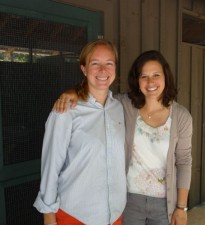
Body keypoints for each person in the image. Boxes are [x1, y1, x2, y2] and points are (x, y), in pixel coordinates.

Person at [54, 50, 193, 225]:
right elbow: (98, 93)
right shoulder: (125, 105)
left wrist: (181, 207)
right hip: (128, 200)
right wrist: (73, 92)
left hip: (164, 203)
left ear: (166, 77)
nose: (150, 82)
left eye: (156, 75)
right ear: (137, 80)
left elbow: (184, 162)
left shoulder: (181, 117)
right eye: (144, 76)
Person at [34, 39, 127, 225]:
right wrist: (48, 214)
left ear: (115, 68)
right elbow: (51, 165)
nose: (103, 70)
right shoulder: (65, 110)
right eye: (95, 64)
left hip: (114, 214)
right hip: (76, 215)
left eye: (109, 63)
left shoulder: (119, 108)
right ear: (84, 69)